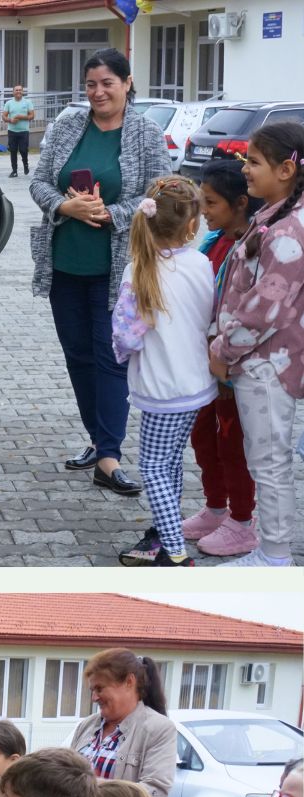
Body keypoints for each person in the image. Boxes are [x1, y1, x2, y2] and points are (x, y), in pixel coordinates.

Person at [30, 49, 170, 497]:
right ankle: (97, 440)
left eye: (108, 82)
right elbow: (38, 182)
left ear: (128, 83)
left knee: (110, 358)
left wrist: (112, 212)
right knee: (78, 357)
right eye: (91, 84)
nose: (98, 92)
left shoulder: (146, 134)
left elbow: (160, 197)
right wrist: (63, 205)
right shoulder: (68, 126)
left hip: (119, 269)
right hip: (64, 263)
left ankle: (109, 456)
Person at [209, 120, 304, 567]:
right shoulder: (276, 214)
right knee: (265, 457)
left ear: (286, 169)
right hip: (259, 362)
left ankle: (275, 555)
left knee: (269, 461)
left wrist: (223, 351)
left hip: (266, 366)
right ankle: (273, 549)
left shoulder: (288, 232)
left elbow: (267, 308)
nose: (245, 168)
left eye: (254, 161)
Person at [111, 176, 216, 567]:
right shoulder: (202, 263)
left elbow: (126, 337)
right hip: (196, 385)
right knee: (170, 461)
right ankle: (161, 532)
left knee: (153, 466)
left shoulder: (138, 273)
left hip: (160, 388)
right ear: (192, 225)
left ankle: (173, 551)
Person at [183, 159, 260, 558]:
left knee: (232, 443)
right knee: (202, 436)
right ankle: (216, 507)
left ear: (240, 203)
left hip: (232, 366)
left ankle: (243, 521)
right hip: (205, 362)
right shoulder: (215, 241)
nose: (204, 211)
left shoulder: (253, 245)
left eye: (210, 203)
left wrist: (226, 356)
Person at [69, 649, 175, 797]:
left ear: (129, 682)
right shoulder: (87, 726)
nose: (94, 697)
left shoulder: (158, 728)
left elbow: (154, 792)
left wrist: (88, 787)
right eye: (92, 690)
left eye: (100, 688)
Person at [1, 86, 34, 178]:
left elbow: (32, 116)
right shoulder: (9, 103)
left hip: (24, 131)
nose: (18, 91)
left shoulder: (28, 102)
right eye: (16, 90)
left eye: (20, 90)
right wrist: (10, 120)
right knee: (13, 151)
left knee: (23, 150)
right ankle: (14, 171)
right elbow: (3, 116)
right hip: (12, 131)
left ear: (22, 92)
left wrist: (21, 117)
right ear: (13, 92)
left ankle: (25, 165)